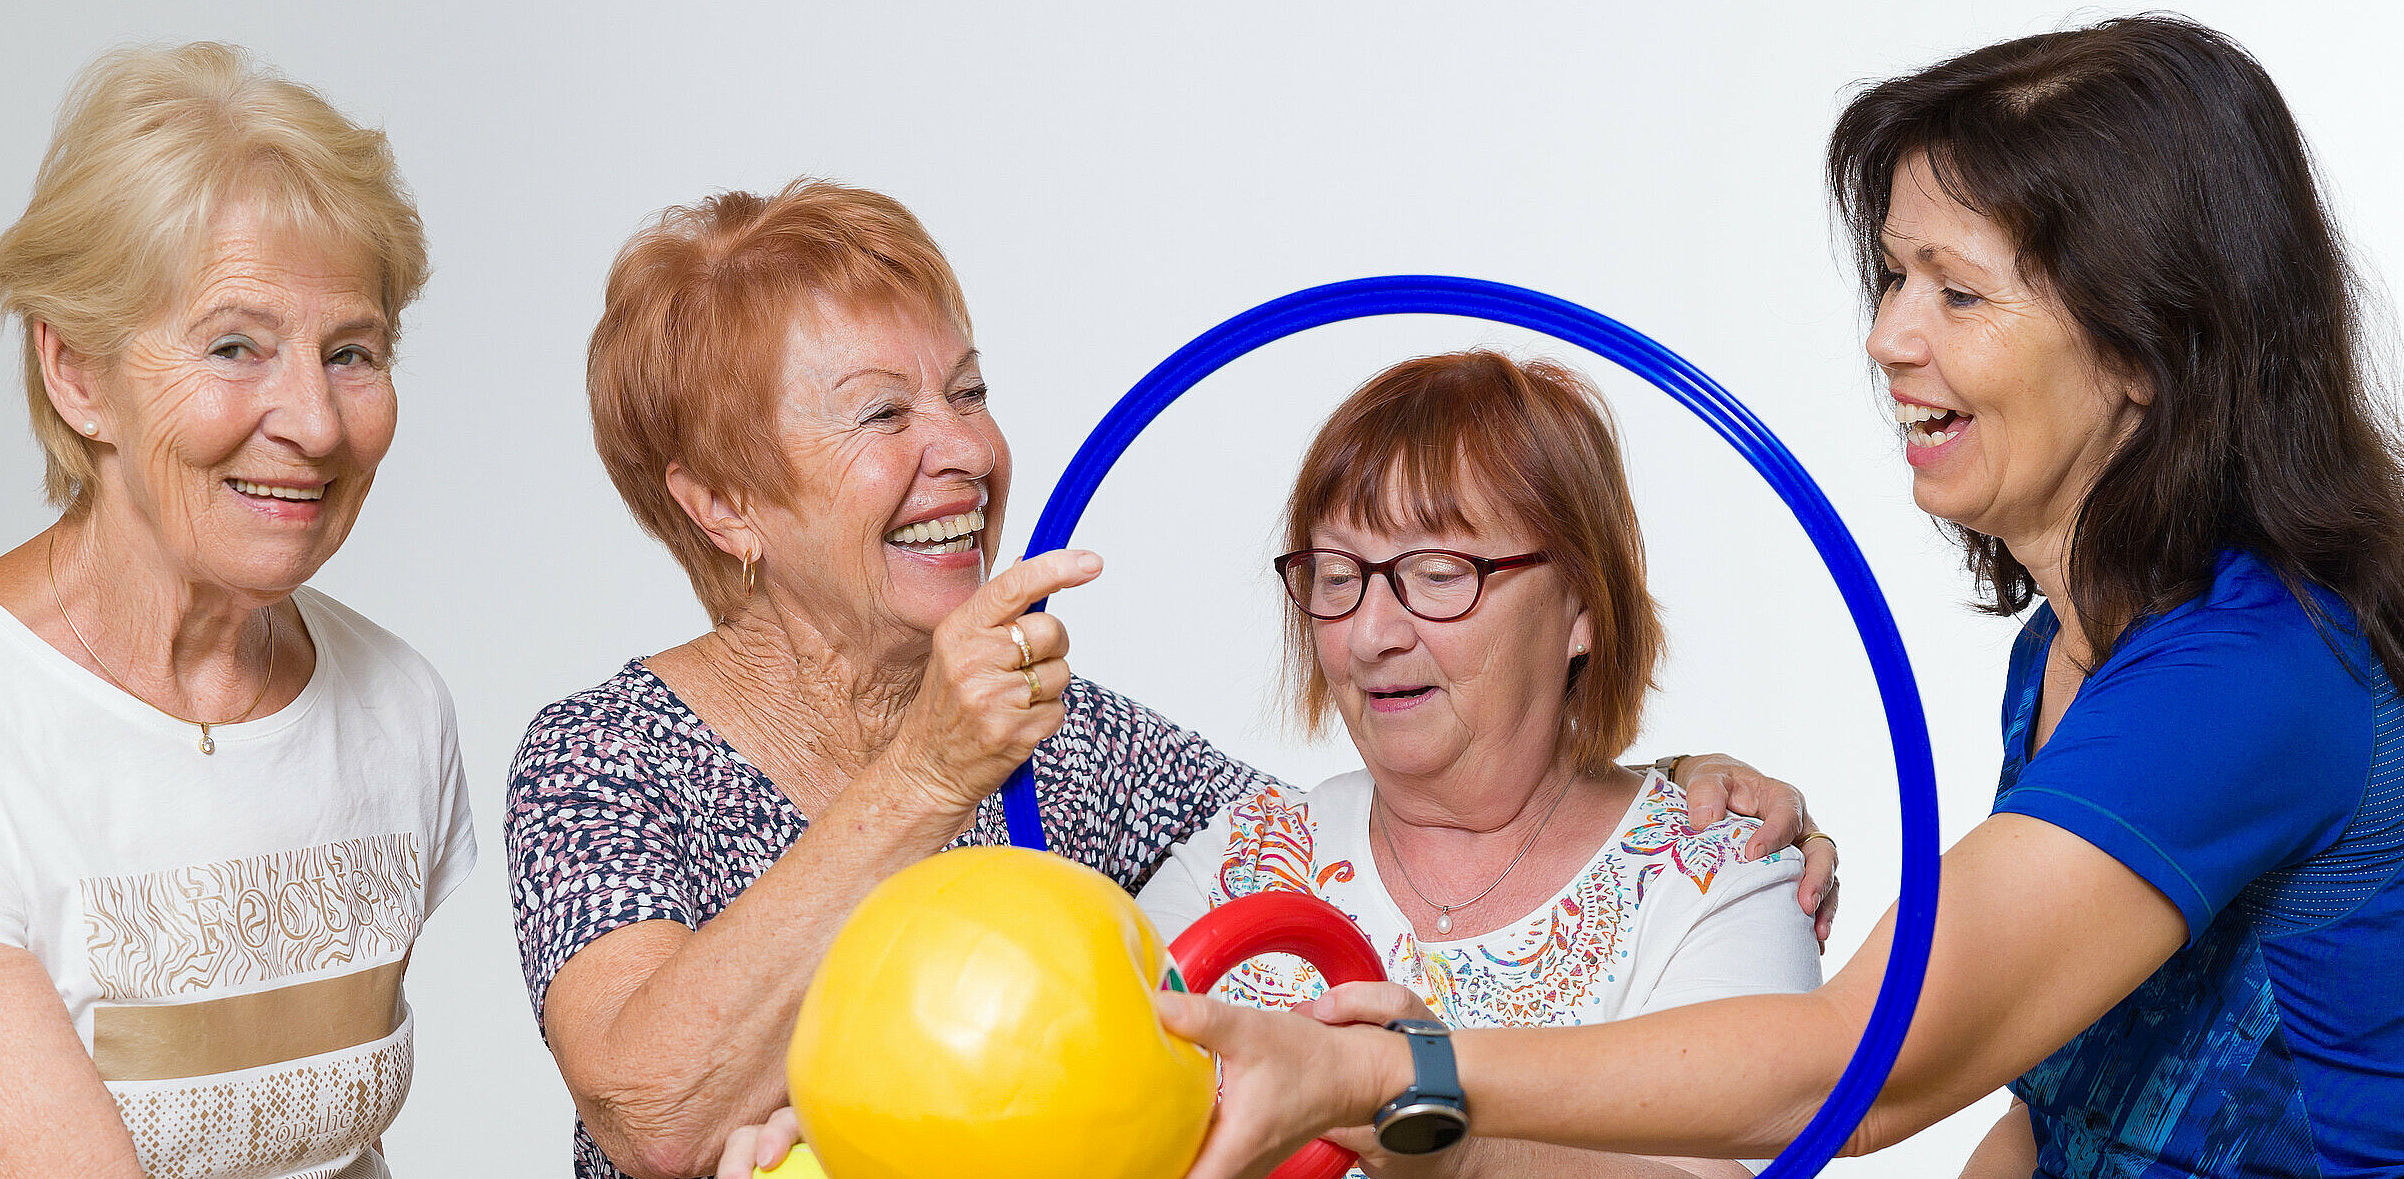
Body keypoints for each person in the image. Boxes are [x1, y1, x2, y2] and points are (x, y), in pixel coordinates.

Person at [1157, 17, 2404, 1179]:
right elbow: (2063, 1116)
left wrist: (1397, 1070)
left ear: (2146, 346)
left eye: (1957, 291)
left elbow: (1856, 1068)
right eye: (1896, 277)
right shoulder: (2064, 652)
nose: (1887, 336)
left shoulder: (2254, 677)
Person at [504, 182, 1838, 1179]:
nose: (964, 449)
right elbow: (655, 1112)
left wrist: (1666, 788)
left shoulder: (1077, 742)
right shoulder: (604, 756)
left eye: (966, 390)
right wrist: (926, 773)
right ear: (723, 501)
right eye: (883, 413)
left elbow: (1393, 827)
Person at [0, 43, 475, 1179]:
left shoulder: (399, 708)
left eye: (353, 352)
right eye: (235, 346)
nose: (314, 421)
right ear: (78, 374)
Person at [1133, 350, 1820, 1179]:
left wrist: (1461, 1154)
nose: (1370, 635)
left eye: (1438, 574)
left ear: (1582, 605)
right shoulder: (1239, 857)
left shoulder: (1715, 876)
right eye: (1338, 576)